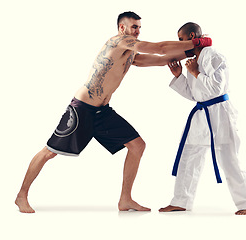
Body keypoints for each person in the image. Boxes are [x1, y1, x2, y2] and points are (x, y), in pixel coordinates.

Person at [14, 11, 212, 213]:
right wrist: (198, 42)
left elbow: (157, 59)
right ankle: (21, 196)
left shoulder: (129, 52)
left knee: (137, 145)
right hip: (82, 109)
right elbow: (159, 48)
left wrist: (192, 52)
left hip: (102, 112)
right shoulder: (119, 42)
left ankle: (125, 199)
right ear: (122, 28)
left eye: (139, 27)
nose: (137, 31)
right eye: (134, 27)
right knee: (49, 152)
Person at [157, 22, 246, 215]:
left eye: (181, 39)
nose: (180, 44)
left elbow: (216, 89)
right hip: (201, 114)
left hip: (220, 114)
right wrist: (180, 76)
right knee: (188, 155)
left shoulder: (214, 57)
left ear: (191, 36)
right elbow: (195, 95)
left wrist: (195, 72)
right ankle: (181, 200)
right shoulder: (195, 59)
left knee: (229, 158)